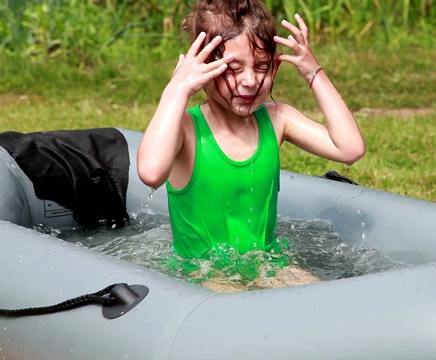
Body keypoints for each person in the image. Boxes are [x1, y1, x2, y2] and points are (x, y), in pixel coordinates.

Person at [137, 0, 365, 292]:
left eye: (261, 67)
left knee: (327, 303)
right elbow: (150, 172)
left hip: (269, 266)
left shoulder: (277, 118)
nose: (250, 81)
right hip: (201, 277)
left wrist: (313, 73)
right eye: (233, 68)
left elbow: (350, 149)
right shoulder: (186, 129)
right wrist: (176, 90)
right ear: (202, 67)